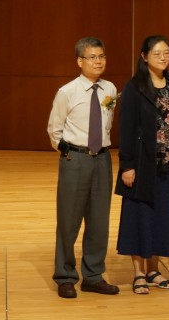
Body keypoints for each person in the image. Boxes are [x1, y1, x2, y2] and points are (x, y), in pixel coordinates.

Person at [47, 37, 120, 299]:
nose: (98, 61)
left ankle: (93, 276)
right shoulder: (67, 92)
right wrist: (68, 152)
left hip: (102, 159)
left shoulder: (110, 88)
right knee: (69, 221)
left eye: (102, 56)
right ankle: (65, 276)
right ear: (80, 61)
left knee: (99, 221)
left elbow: (108, 122)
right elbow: (54, 129)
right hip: (75, 159)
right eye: (92, 57)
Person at [114, 35, 169, 293]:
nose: (163, 57)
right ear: (144, 56)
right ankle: (138, 273)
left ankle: (154, 270)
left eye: (166, 53)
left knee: (161, 217)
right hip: (143, 163)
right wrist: (127, 165)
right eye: (157, 53)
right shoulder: (135, 87)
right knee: (139, 216)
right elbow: (126, 127)